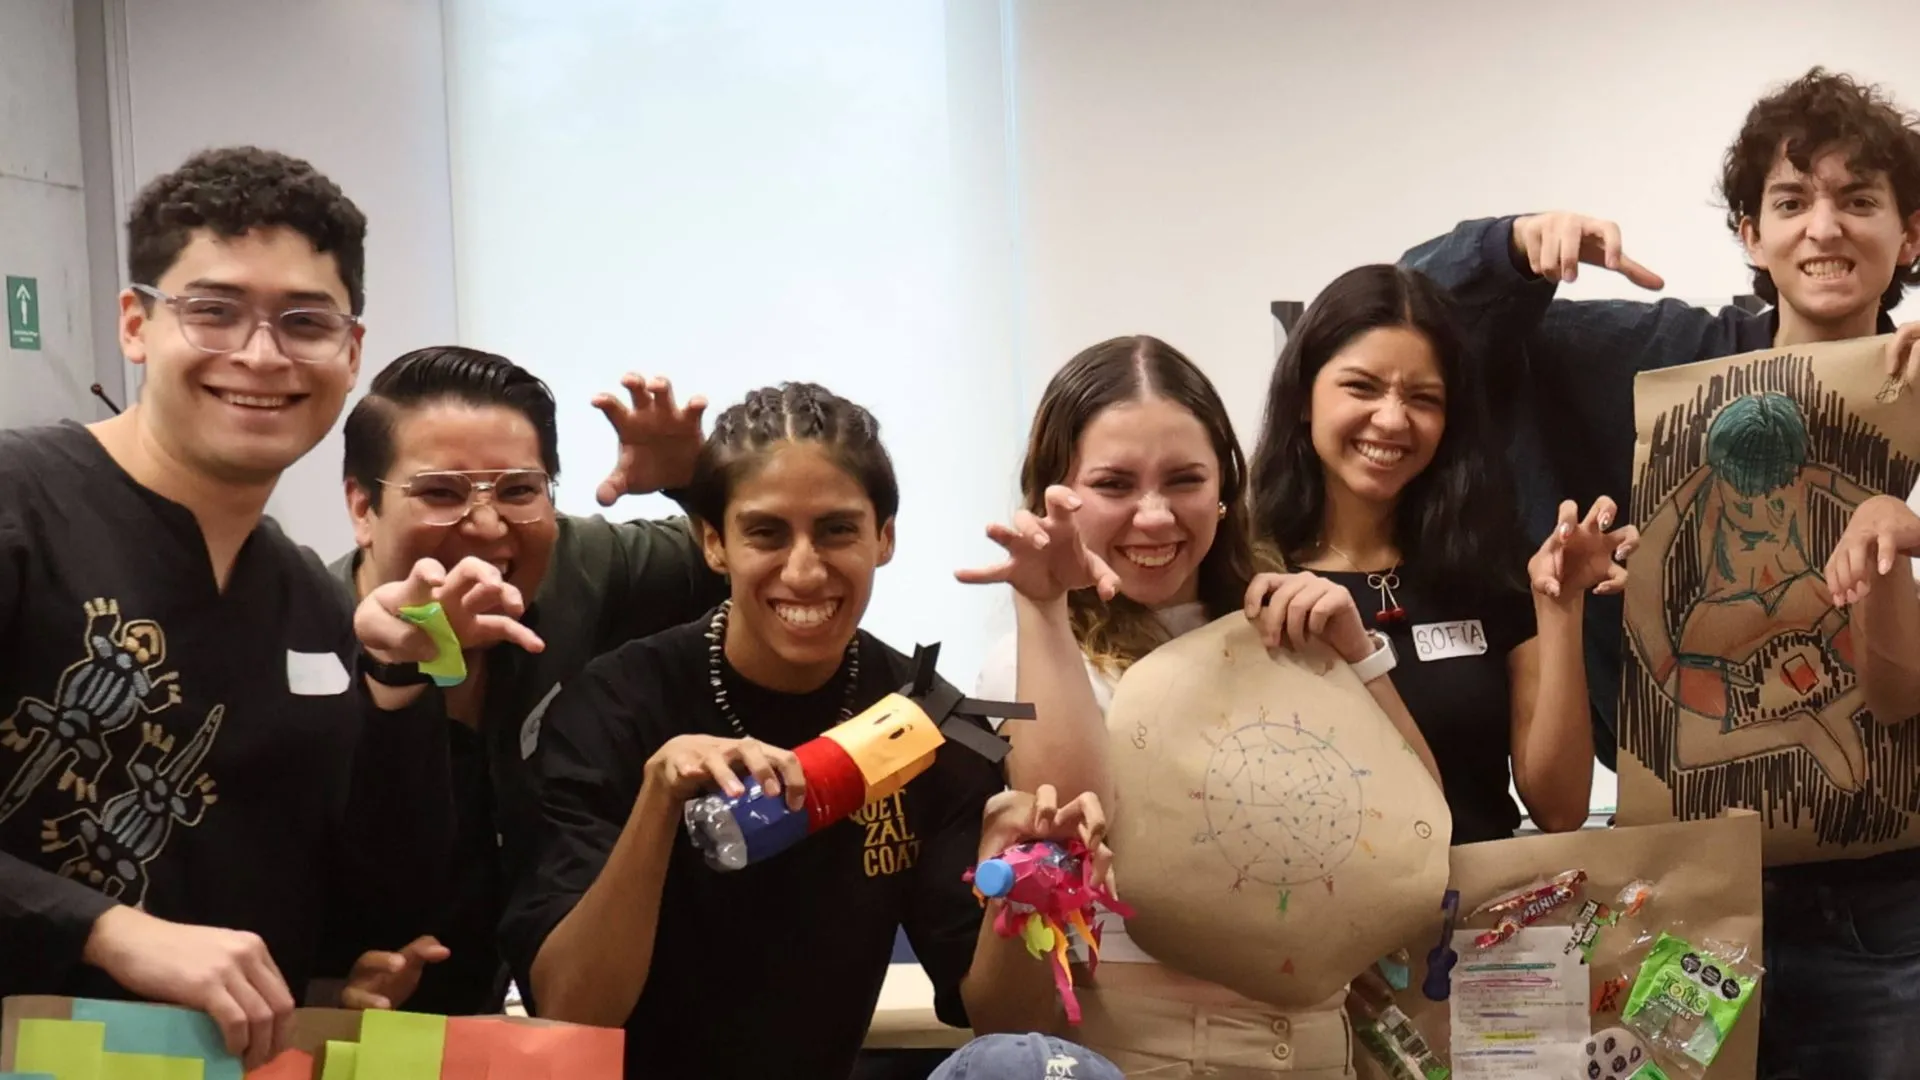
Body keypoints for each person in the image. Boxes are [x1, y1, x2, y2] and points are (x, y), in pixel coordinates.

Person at [1400, 66, 1920, 1079]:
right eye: (1791, 199)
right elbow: (1411, 319)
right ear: (1749, 232)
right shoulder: (1662, 357)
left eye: (1860, 200)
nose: (1825, 226)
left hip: (1883, 894)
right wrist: (1507, 247)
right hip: (1686, 873)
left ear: (1910, 237)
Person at [0, 147, 521, 1068]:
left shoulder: (310, 603)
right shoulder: (21, 505)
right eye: (213, 310)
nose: (261, 354)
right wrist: (104, 928)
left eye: (306, 322)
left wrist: (403, 677)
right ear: (136, 323)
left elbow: (379, 902)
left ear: (352, 350)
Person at [499, 382, 1089, 1079]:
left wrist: (1022, 882)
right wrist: (658, 801)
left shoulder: (930, 724)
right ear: (714, 542)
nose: (805, 571)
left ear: (885, 536)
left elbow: (1008, 1024)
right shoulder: (615, 708)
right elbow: (574, 1011)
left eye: (837, 530)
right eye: (767, 533)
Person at [959, 334, 1445, 1078]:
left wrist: (1359, 654)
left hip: (1316, 1046)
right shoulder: (1035, 656)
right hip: (1142, 1049)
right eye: (1115, 485)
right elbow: (1071, 836)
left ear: (1225, 484)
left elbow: (1416, 828)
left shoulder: (1281, 617)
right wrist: (1043, 605)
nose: (1154, 518)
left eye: (1184, 480)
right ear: (1059, 491)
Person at [325, 347, 727, 1014]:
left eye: (518, 490)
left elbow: (740, 559)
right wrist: (317, 987)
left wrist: (696, 480)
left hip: (521, 1016)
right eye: (441, 493)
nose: (486, 527)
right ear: (363, 507)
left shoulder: (581, 569)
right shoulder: (301, 632)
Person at [1250, 265, 1635, 843]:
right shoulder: (1252, 577)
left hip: (1486, 919)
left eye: (1423, 398)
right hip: (1313, 920)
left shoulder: (1488, 566)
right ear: (1304, 397)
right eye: (1361, 387)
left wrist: (1561, 606)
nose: (1392, 419)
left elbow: (1560, 809)